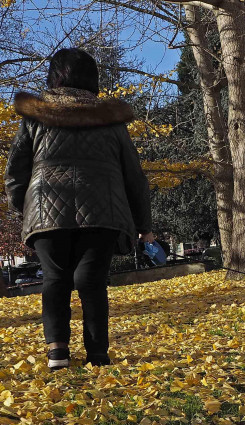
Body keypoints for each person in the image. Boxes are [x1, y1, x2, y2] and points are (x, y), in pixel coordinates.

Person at [4, 48, 154, 370]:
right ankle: (98, 355)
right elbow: (135, 177)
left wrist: (25, 207)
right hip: (103, 211)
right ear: (92, 78)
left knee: (55, 278)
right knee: (91, 280)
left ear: (55, 76)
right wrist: (144, 224)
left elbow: (15, 172)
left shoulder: (36, 116)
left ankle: (57, 353)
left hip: (45, 208)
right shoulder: (111, 121)